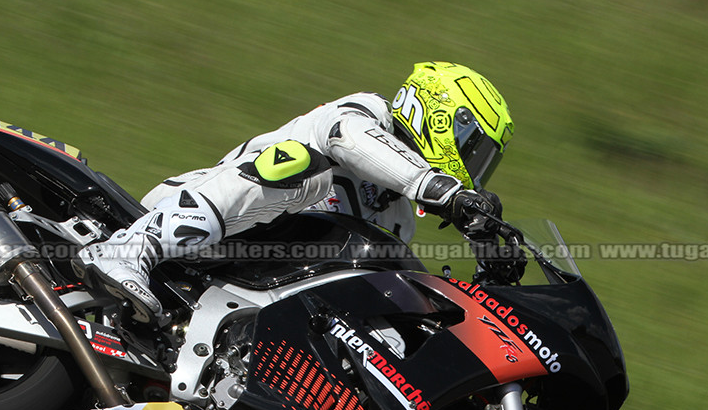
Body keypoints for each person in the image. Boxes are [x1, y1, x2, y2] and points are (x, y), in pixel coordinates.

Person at [75, 61, 516, 325]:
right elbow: (349, 138)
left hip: (250, 288)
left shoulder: (397, 215)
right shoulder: (366, 112)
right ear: (443, 119)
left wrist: (487, 271)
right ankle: (133, 248)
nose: (475, 171)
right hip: (193, 230)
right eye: (475, 150)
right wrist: (445, 190)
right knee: (301, 167)